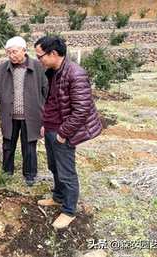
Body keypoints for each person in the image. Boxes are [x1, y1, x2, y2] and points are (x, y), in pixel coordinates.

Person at [34, 36, 102, 229]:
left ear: (53, 53)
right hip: (51, 128)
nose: (39, 60)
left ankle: (69, 210)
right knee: (54, 166)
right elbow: (51, 101)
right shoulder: (53, 72)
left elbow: (81, 110)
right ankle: (58, 197)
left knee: (67, 172)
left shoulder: (75, 74)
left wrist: (63, 134)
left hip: (64, 132)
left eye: (40, 56)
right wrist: (45, 124)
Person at [0, 36, 48, 186]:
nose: (11, 55)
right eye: (8, 53)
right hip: (9, 115)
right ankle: (7, 172)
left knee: (29, 147)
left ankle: (29, 174)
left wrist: (47, 114)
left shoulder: (38, 67)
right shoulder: (2, 69)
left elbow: (46, 91)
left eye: (14, 52)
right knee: (8, 145)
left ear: (24, 50)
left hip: (32, 115)